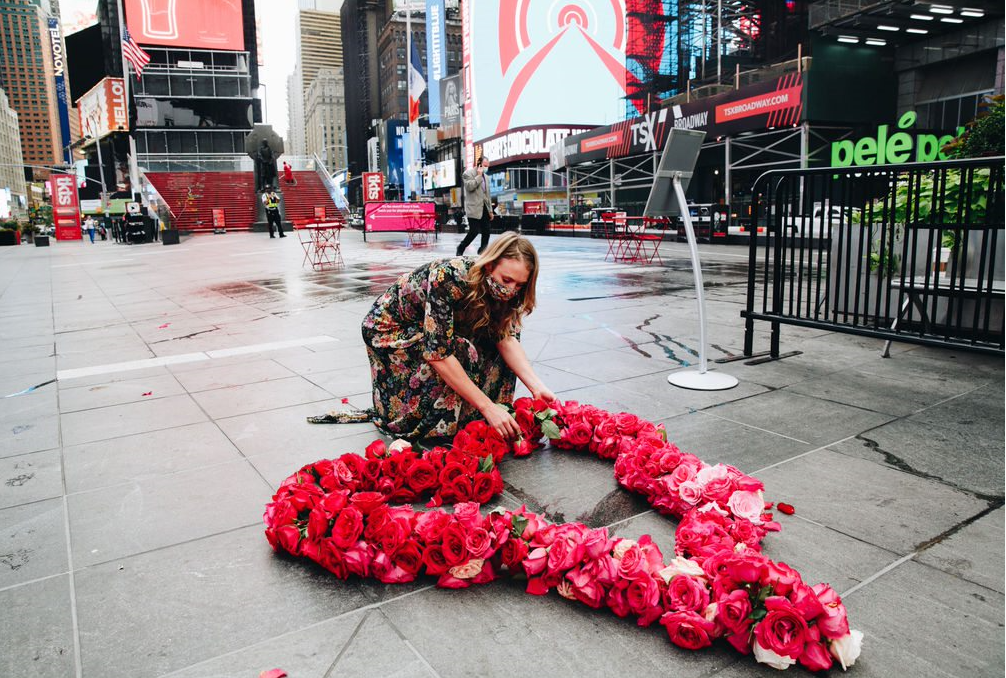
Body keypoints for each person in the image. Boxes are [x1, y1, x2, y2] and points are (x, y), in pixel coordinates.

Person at [310, 232, 555, 442]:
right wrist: (487, 406)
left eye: (520, 285)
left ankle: (476, 416)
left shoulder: (509, 294)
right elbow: (438, 354)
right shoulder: (448, 277)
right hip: (390, 327)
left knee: (492, 347)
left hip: (435, 327)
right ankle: (431, 419)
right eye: (506, 280)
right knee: (459, 350)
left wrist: (537, 387)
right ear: (490, 266)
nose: (510, 290)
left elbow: (507, 339)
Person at [457, 155, 493, 255]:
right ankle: (461, 246)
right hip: (473, 208)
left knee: (487, 231)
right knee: (474, 231)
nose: (486, 168)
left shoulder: (487, 177)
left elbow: (487, 195)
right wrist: (478, 176)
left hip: (484, 207)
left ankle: (483, 251)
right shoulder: (467, 174)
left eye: (487, 166)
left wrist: (490, 210)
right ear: (479, 164)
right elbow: (469, 187)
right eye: (485, 165)